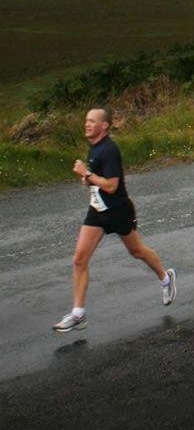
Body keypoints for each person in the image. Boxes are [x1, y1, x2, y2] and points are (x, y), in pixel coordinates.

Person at [52, 108, 176, 333]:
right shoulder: (95, 147)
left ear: (104, 126)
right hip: (98, 211)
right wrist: (88, 180)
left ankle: (165, 278)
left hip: (118, 211)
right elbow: (100, 182)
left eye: (92, 121)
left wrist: (86, 174)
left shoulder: (109, 149)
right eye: (86, 120)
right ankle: (79, 314)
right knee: (79, 259)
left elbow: (111, 185)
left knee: (137, 251)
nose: (87, 124)